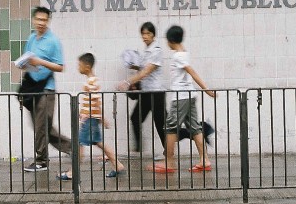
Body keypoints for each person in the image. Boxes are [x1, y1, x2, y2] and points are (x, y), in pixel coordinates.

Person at [149, 25, 215, 173]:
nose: (167, 44)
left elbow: (192, 72)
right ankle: (204, 160)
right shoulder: (184, 53)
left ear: (171, 40)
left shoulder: (178, 56)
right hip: (189, 95)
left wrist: (207, 90)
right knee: (195, 127)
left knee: (170, 128)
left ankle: (169, 162)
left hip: (181, 97)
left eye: (167, 40)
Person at [19, 6, 72, 172]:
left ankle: (41, 161)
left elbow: (60, 67)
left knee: (42, 127)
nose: (41, 23)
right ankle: (73, 148)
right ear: (33, 20)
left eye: (44, 20)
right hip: (32, 87)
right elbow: (29, 60)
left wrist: (40, 62)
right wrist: (24, 64)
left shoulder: (53, 41)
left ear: (48, 21)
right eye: (38, 19)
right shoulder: (31, 38)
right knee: (41, 127)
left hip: (46, 89)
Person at [57, 53, 125, 180]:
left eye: (79, 65)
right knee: (98, 143)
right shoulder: (92, 80)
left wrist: (102, 118)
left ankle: (72, 172)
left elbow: (96, 101)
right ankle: (118, 165)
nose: (78, 67)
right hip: (90, 118)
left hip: (89, 119)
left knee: (79, 144)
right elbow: (91, 101)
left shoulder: (92, 81)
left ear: (87, 67)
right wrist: (84, 112)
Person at [118, 22, 166, 160]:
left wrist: (128, 82)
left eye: (148, 33)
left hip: (156, 93)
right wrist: (133, 66)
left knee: (161, 125)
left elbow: (146, 71)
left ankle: (169, 152)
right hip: (146, 93)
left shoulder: (156, 51)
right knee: (135, 118)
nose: (145, 36)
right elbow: (142, 69)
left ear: (153, 35)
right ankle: (138, 149)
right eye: (143, 33)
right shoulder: (146, 52)